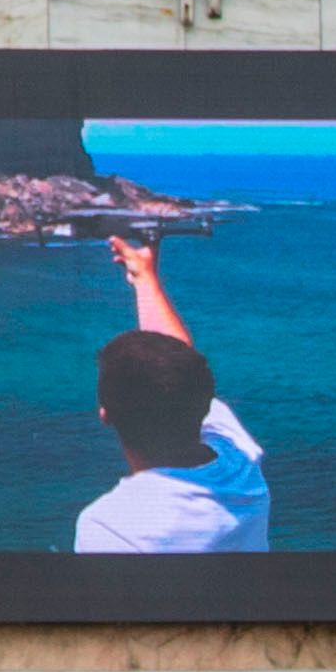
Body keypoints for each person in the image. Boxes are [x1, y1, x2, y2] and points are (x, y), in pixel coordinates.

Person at [73, 236, 269, 553]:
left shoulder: (110, 526)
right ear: (202, 405)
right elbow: (179, 367)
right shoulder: (241, 463)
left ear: (104, 416)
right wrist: (144, 277)